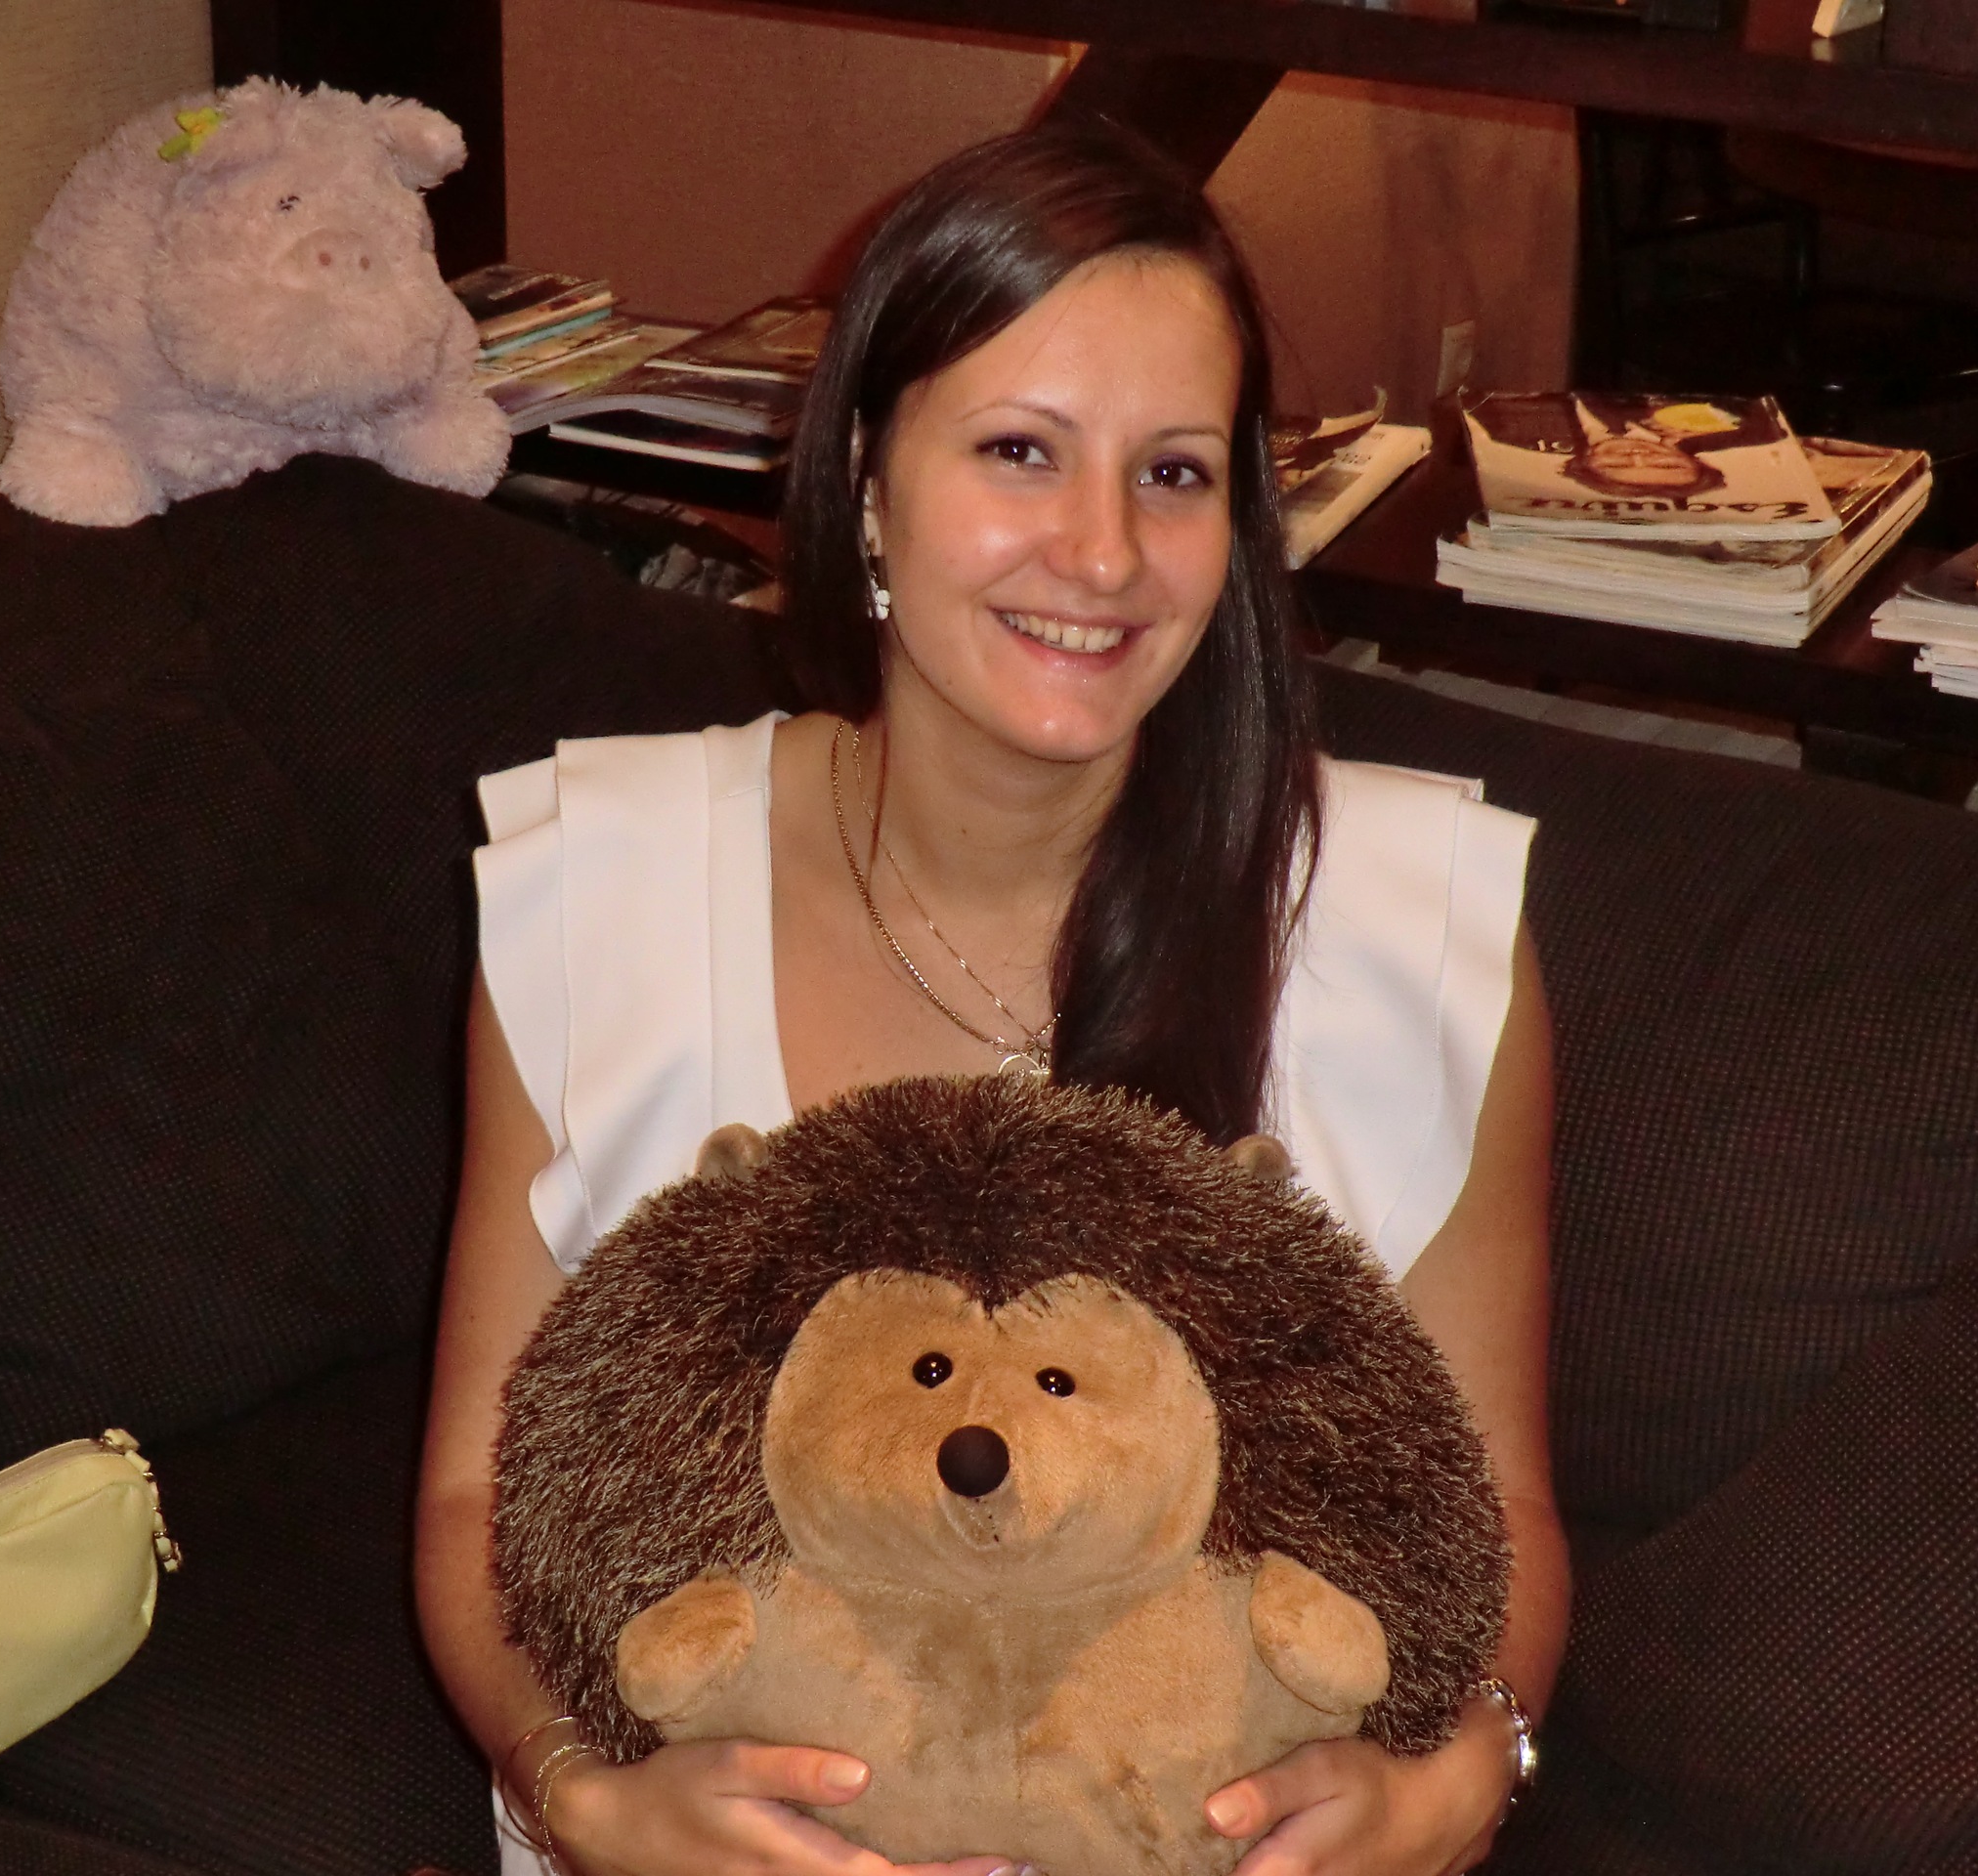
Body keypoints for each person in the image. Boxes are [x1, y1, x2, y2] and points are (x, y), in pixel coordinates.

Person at [414, 121, 1568, 1876]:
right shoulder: (603, 888)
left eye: (1172, 473)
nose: (1101, 553)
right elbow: (473, 1496)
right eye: (1021, 450)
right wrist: (580, 1796)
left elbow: (1503, 1509)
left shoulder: (1420, 928)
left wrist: (1459, 1781)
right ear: (866, 480)